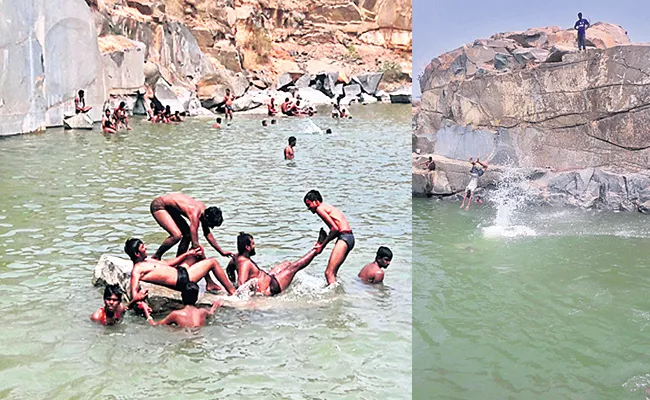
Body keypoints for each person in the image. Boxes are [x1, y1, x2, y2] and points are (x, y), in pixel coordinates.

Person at [124, 238, 236, 299]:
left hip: (180, 271)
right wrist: (139, 299)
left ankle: (210, 283)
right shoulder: (137, 270)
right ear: (137, 253)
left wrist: (187, 254)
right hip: (182, 280)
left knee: (197, 250)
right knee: (213, 262)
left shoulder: (147, 260)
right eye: (143, 247)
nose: (146, 248)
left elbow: (168, 263)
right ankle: (232, 292)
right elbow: (134, 292)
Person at [226, 230, 326, 296]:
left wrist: (232, 282)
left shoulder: (236, 257)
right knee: (295, 267)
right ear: (247, 248)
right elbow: (241, 286)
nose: (254, 246)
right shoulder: (245, 264)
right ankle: (317, 249)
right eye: (253, 244)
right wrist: (255, 295)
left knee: (286, 263)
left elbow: (229, 269)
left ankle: (317, 247)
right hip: (271, 287)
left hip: (268, 278)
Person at [149, 193, 234, 262]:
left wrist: (221, 252)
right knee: (176, 235)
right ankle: (156, 256)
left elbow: (207, 234)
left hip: (171, 209)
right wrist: (197, 250)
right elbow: (194, 239)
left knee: (187, 235)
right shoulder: (195, 213)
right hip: (159, 206)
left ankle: (178, 260)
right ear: (206, 217)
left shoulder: (204, 211)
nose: (209, 227)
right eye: (210, 225)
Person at [304, 190, 354, 285]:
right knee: (333, 274)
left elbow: (335, 229)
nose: (309, 209)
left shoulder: (320, 208)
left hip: (344, 237)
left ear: (316, 201)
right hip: (349, 238)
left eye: (309, 205)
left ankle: (334, 298)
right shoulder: (327, 207)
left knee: (329, 273)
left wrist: (322, 245)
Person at [147, 282, 223, 327]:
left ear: (182, 296)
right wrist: (215, 305)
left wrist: (145, 310)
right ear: (196, 298)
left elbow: (154, 324)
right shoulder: (202, 312)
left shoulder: (176, 314)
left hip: (186, 340)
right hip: (199, 340)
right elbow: (211, 312)